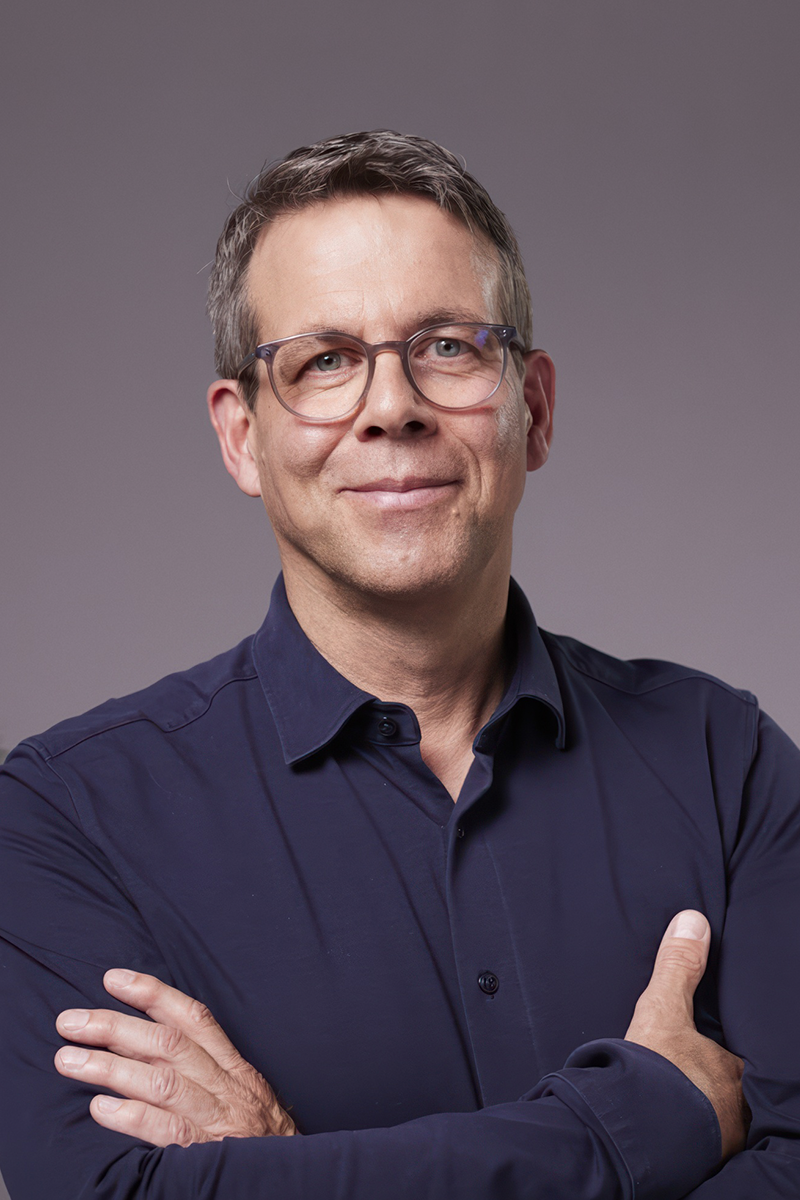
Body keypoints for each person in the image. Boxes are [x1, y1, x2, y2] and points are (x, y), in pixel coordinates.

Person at [0, 129, 797, 1200]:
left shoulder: (723, 759)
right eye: (324, 361)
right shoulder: (66, 817)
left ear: (533, 410)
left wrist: (279, 1175)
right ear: (241, 437)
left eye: (449, 346)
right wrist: (638, 1125)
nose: (391, 407)